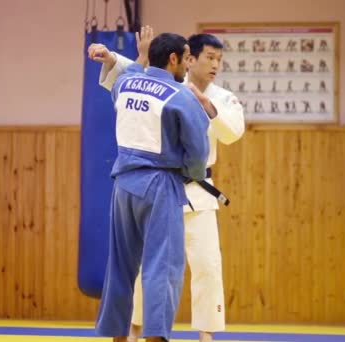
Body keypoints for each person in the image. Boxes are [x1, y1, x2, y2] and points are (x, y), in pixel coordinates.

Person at [88, 27, 245, 342]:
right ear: (184, 59)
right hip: (166, 185)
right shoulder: (180, 95)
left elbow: (129, 77)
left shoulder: (132, 83)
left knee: (199, 266)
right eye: (203, 57)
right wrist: (188, 168)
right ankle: (150, 334)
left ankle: (127, 333)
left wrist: (134, 56)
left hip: (129, 183)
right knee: (162, 267)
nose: (212, 64)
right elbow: (197, 152)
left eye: (219, 59)